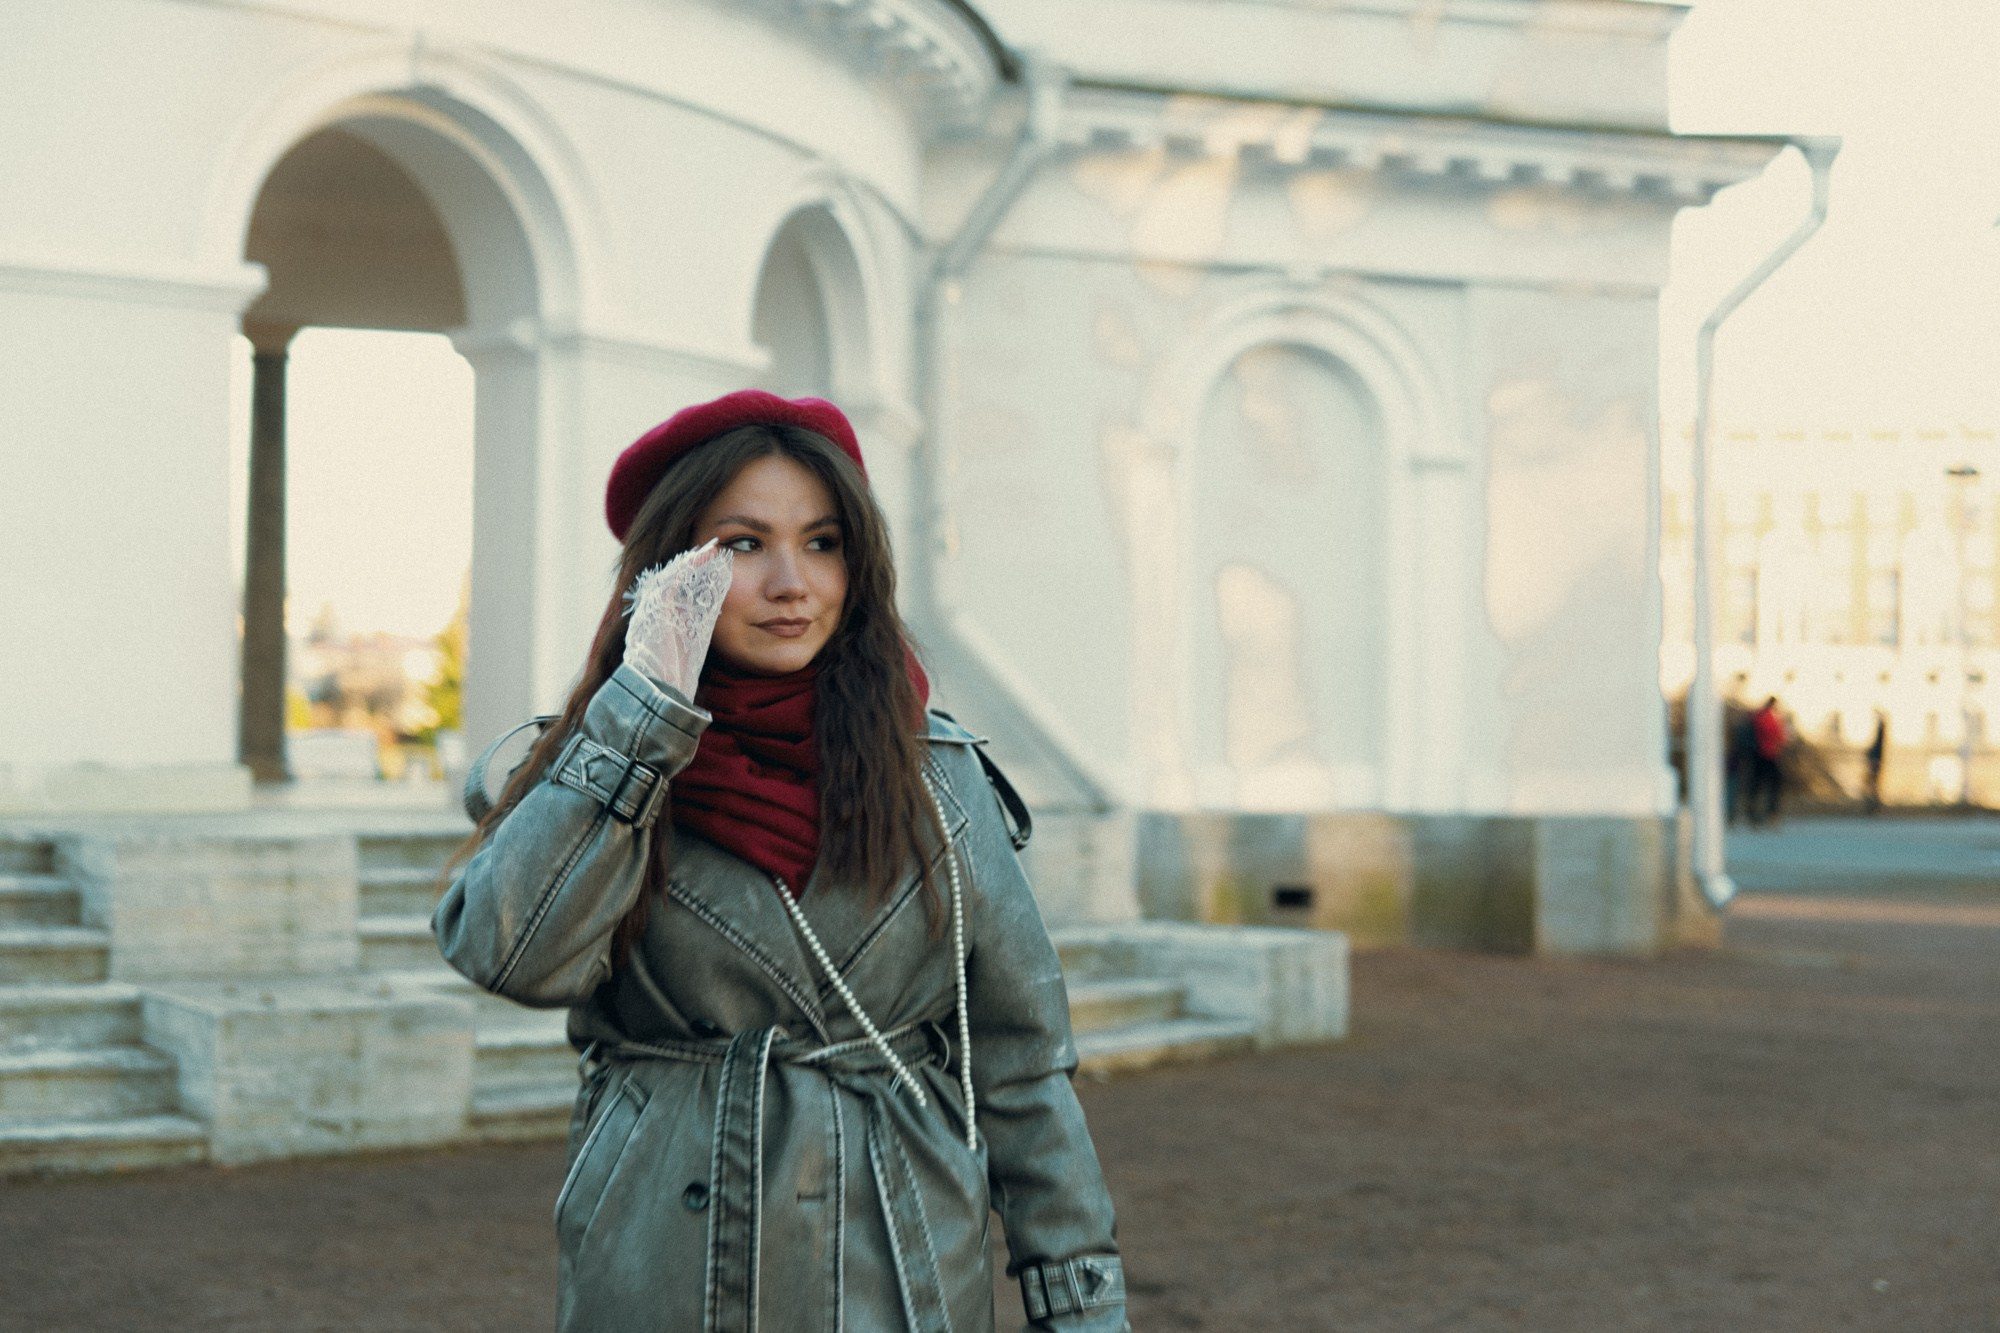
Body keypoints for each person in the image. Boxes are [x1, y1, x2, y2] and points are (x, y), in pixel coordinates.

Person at [434, 390, 1128, 1333]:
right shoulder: (599, 760)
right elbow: (511, 955)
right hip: (662, 1255)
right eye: (743, 544)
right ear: (672, 570)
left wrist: (1078, 1302)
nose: (792, 582)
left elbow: (1021, 1067)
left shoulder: (937, 776)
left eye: (824, 541)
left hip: (901, 1256)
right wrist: (643, 719)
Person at [1747, 695, 1788, 826]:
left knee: (1758, 785)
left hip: (1761, 755)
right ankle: (1769, 813)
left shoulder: (1758, 716)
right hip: (1767, 755)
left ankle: (1756, 813)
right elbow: (1776, 735)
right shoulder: (1767, 718)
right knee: (1772, 785)